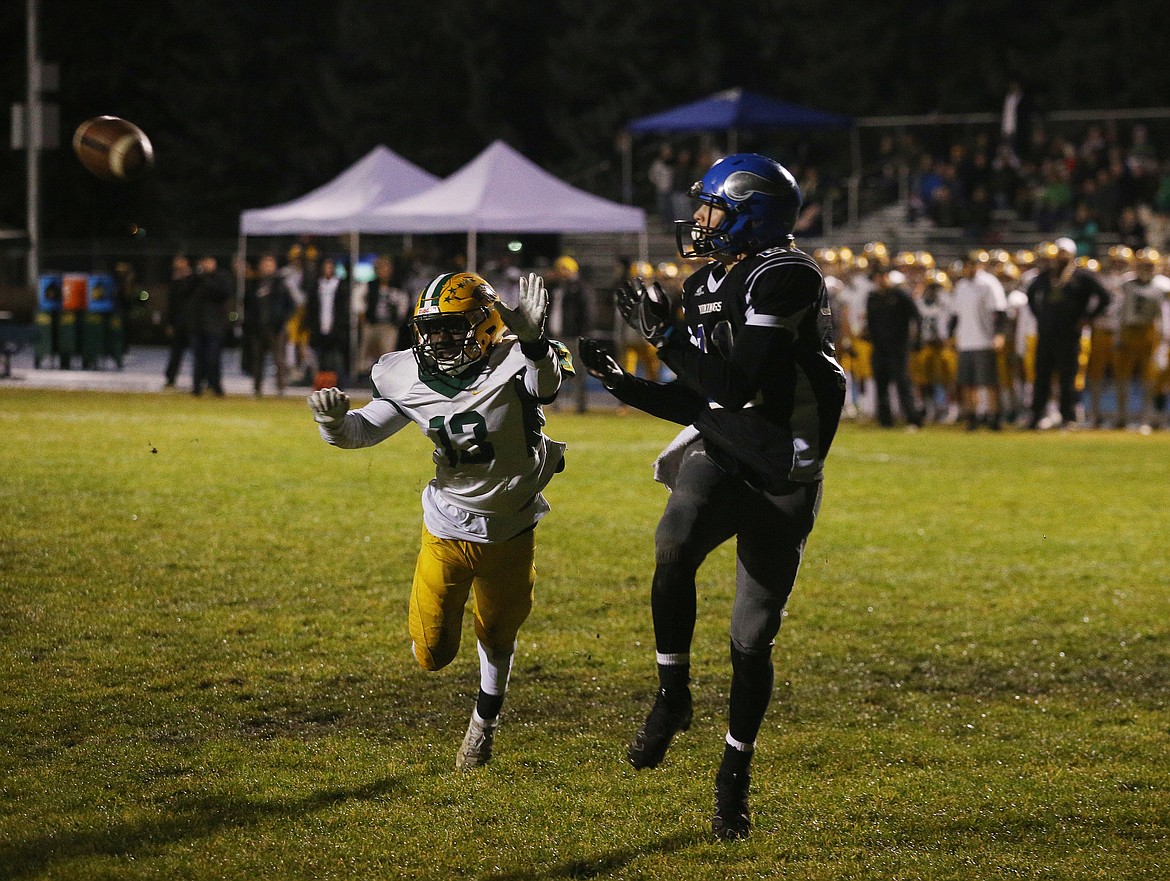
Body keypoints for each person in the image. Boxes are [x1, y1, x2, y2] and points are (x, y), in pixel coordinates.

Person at [579, 153, 845, 840]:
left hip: (784, 465)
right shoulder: (706, 283)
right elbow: (705, 399)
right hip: (725, 448)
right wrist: (626, 383)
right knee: (672, 540)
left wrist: (663, 336)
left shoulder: (785, 274)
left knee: (751, 637)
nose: (699, 220)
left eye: (713, 208)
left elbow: (735, 385)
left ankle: (735, 771)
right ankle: (672, 697)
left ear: (753, 213)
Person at [306, 271, 571, 770]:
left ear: (489, 324)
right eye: (433, 328)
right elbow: (361, 434)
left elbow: (547, 386)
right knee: (431, 654)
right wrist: (333, 422)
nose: (441, 338)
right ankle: (467, 693)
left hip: (511, 528)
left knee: (498, 634)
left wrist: (534, 342)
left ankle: (483, 724)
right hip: (447, 526)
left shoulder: (521, 357)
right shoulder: (403, 374)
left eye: (454, 327)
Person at [1026, 238, 1111, 428]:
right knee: (1042, 376)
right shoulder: (1047, 275)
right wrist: (1039, 315)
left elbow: (1105, 297)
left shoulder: (1082, 276)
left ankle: (1067, 416)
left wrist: (1088, 318)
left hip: (1069, 334)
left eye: (1064, 252)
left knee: (1067, 377)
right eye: (1059, 252)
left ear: (1072, 254)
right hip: (1047, 333)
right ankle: (1036, 415)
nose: (1061, 256)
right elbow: (1030, 294)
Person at [952, 252, 1008, 430]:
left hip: (984, 339)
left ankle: (994, 416)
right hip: (965, 340)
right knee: (968, 383)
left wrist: (999, 335)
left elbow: (1000, 311)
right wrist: (953, 334)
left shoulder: (988, 283)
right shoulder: (961, 286)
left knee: (989, 382)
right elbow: (956, 315)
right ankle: (972, 417)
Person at [865, 263, 923, 429]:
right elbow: (870, 322)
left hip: (899, 346)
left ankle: (913, 419)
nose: (880, 280)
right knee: (881, 383)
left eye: (882, 276)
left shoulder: (900, 295)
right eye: (877, 277)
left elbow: (917, 316)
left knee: (902, 382)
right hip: (880, 347)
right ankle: (885, 420)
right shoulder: (873, 298)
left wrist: (917, 340)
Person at [242, 253, 295, 396]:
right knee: (257, 359)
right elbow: (246, 305)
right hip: (258, 327)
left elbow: (291, 305)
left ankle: (280, 388)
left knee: (278, 359)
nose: (267, 266)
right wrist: (250, 321)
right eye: (265, 263)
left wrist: (281, 319)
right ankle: (257, 388)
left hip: (276, 329)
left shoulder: (280, 284)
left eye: (270, 263)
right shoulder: (254, 284)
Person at [546, 255, 594, 412]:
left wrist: (582, 334)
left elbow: (589, 312)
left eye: (564, 269)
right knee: (553, 372)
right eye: (559, 269)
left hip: (573, 336)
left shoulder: (580, 287)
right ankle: (554, 405)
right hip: (554, 336)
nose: (561, 272)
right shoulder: (554, 287)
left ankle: (580, 406)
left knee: (577, 372)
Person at [354, 255, 412, 384]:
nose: (385, 271)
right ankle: (363, 378)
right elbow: (358, 299)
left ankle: (387, 380)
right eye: (382, 268)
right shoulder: (370, 285)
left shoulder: (397, 286)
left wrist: (398, 320)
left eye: (387, 268)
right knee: (365, 353)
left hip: (389, 326)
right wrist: (362, 315)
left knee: (388, 355)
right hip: (372, 324)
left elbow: (404, 303)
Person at [304, 257, 352, 389]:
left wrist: (340, 327)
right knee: (321, 361)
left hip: (336, 330)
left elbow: (343, 309)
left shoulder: (340, 285)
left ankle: (339, 387)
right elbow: (311, 308)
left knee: (336, 360)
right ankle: (322, 387)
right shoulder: (316, 285)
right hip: (320, 329)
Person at [189, 254, 233, 397]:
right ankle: (197, 387)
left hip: (215, 325)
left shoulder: (221, 277)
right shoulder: (195, 278)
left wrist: (204, 279)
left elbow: (223, 293)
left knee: (213, 358)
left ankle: (215, 386)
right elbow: (185, 293)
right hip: (198, 324)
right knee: (198, 359)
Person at [162, 253, 194, 389]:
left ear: (185, 262)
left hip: (193, 323)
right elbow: (171, 304)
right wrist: (169, 323)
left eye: (178, 262)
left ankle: (201, 379)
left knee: (198, 353)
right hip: (178, 323)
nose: (175, 265)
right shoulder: (174, 279)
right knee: (176, 352)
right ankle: (170, 378)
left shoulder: (194, 279)